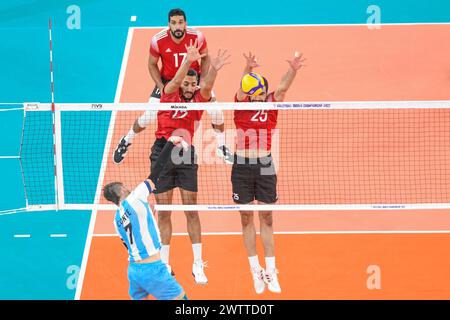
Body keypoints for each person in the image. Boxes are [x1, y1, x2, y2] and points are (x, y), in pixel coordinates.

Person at [124, 39, 230, 285]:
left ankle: (197, 264)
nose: (191, 87)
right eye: (187, 82)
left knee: (191, 210)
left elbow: (208, 85)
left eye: (194, 83)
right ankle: (164, 264)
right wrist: (187, 60)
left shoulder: (200, 99)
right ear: (181, 82)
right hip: (162, 152)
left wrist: (214, 68)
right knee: (164, 212)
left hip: (186, 154)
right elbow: (173, 80)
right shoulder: (169, 93)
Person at [113, 8, 231, 165]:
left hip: (191, 82)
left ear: (185, 23)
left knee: (217, 113)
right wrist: (161, 86)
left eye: (181, 22)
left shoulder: (197, 36)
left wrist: (202, 81)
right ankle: (126, 140)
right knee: (147, 116)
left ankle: (221, 146)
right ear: (169, 24)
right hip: (169, 83)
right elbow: (152, 65)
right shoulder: (158, 40)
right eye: (174, 23)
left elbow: (206, 58)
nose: (178, 26)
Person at [232, 51, 306, 294]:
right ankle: (255, 270)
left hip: (265, 166)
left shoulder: (272, 106)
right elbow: (243, 88)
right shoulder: (240, 106)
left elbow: (283, 88)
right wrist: (247, 69)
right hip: (242, 167)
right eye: (256, 90)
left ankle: (271, 271)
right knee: (245, 219)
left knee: (266, 218)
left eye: (262, 90)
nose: (260, 94)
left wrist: (293, 70)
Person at [103, 136, 189, 300]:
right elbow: (156, 171)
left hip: (134, 271)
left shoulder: (116, 220)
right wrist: (170, 143)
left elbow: (130, 241)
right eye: (124, 186)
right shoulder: (135, 197)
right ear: (121, 189)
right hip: (153, 269)